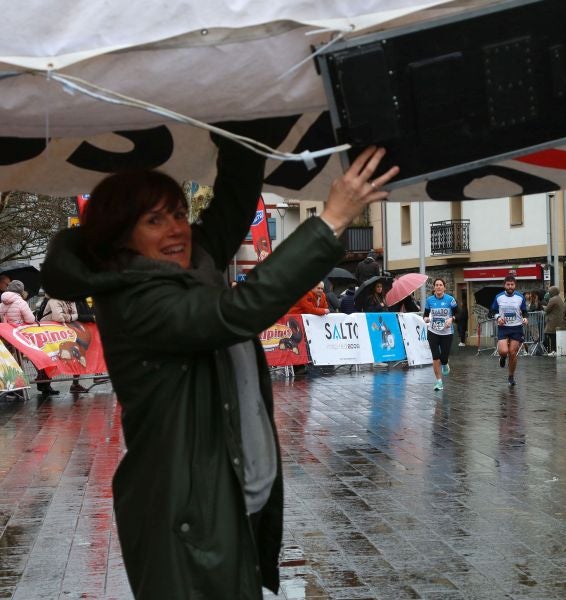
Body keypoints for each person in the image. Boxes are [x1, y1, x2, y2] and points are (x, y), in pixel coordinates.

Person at [41, 122, 398, 600]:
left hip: (229, 496)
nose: (176, 229)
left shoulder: (191, 265)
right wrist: (330, 220)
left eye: (177, 214)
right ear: (119, 239)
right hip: (186, 518)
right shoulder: (134, 301)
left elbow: (233, 201)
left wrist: (241, 126)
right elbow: (236, 313)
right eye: (154, 221)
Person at [44, 293, 89, 393]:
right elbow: (58, 318)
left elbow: (75, 314)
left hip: (65, 332)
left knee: (77, 355)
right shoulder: (54, 299)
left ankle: (75, 384)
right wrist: (71, 317)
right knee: (51, 358)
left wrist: (68, 317)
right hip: (50, 333)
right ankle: (44, 384)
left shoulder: (71, 300)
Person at [490, 275, 528, 386]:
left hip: (516, 328)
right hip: (503, 327)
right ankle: (502, 357)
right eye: (508, 284)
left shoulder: (520, 297)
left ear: (515, 285)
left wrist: (525, 318)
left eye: (512, 285)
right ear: (504, 285)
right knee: (503, 351)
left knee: (512, 353)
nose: (510, 286)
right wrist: (498, 318)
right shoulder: (498, 297)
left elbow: (525, 311)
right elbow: (492, 311)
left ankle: (511, 376)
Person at [423, 278, 458, 391]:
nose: (438, 287)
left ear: (444, 287)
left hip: (447, 332)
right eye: (436, 285)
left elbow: (458, 313)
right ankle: (439, 382)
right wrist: (426, 318)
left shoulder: (450, 300)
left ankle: (445, 363)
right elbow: (425, 314)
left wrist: (451, 319)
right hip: (433, 331)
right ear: (434, 287)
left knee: (443, 358)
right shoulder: (429, 300)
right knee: (435, 357)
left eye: (440, 285)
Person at [542, 286, 564, 356]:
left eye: (549, 291)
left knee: (551, 335)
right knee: (553, 335)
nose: (549, 293)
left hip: (552, 320)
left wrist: (543, 307)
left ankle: (553, 350)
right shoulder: (559, 298)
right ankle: (554, 350)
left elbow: (547, 309)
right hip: (557, 319)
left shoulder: (553, 299)